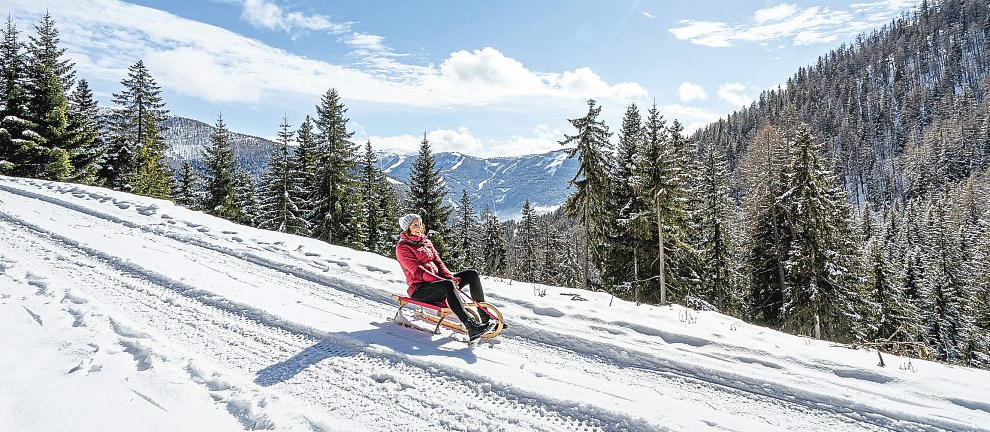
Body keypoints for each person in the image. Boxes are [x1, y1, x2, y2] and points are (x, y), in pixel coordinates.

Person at [395, 213, 497, 341]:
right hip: (420, 290)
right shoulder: (403, 247)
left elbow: (439, 263)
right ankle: (471, 326)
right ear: (407, 228)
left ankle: (485, 319)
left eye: (420, 224)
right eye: (415, 225)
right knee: (448, 285)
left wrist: (450, 277)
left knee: (472, 274)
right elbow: (418, 272)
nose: (419, 227)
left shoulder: (426, 241)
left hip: (439, 284)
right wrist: (444, 281)